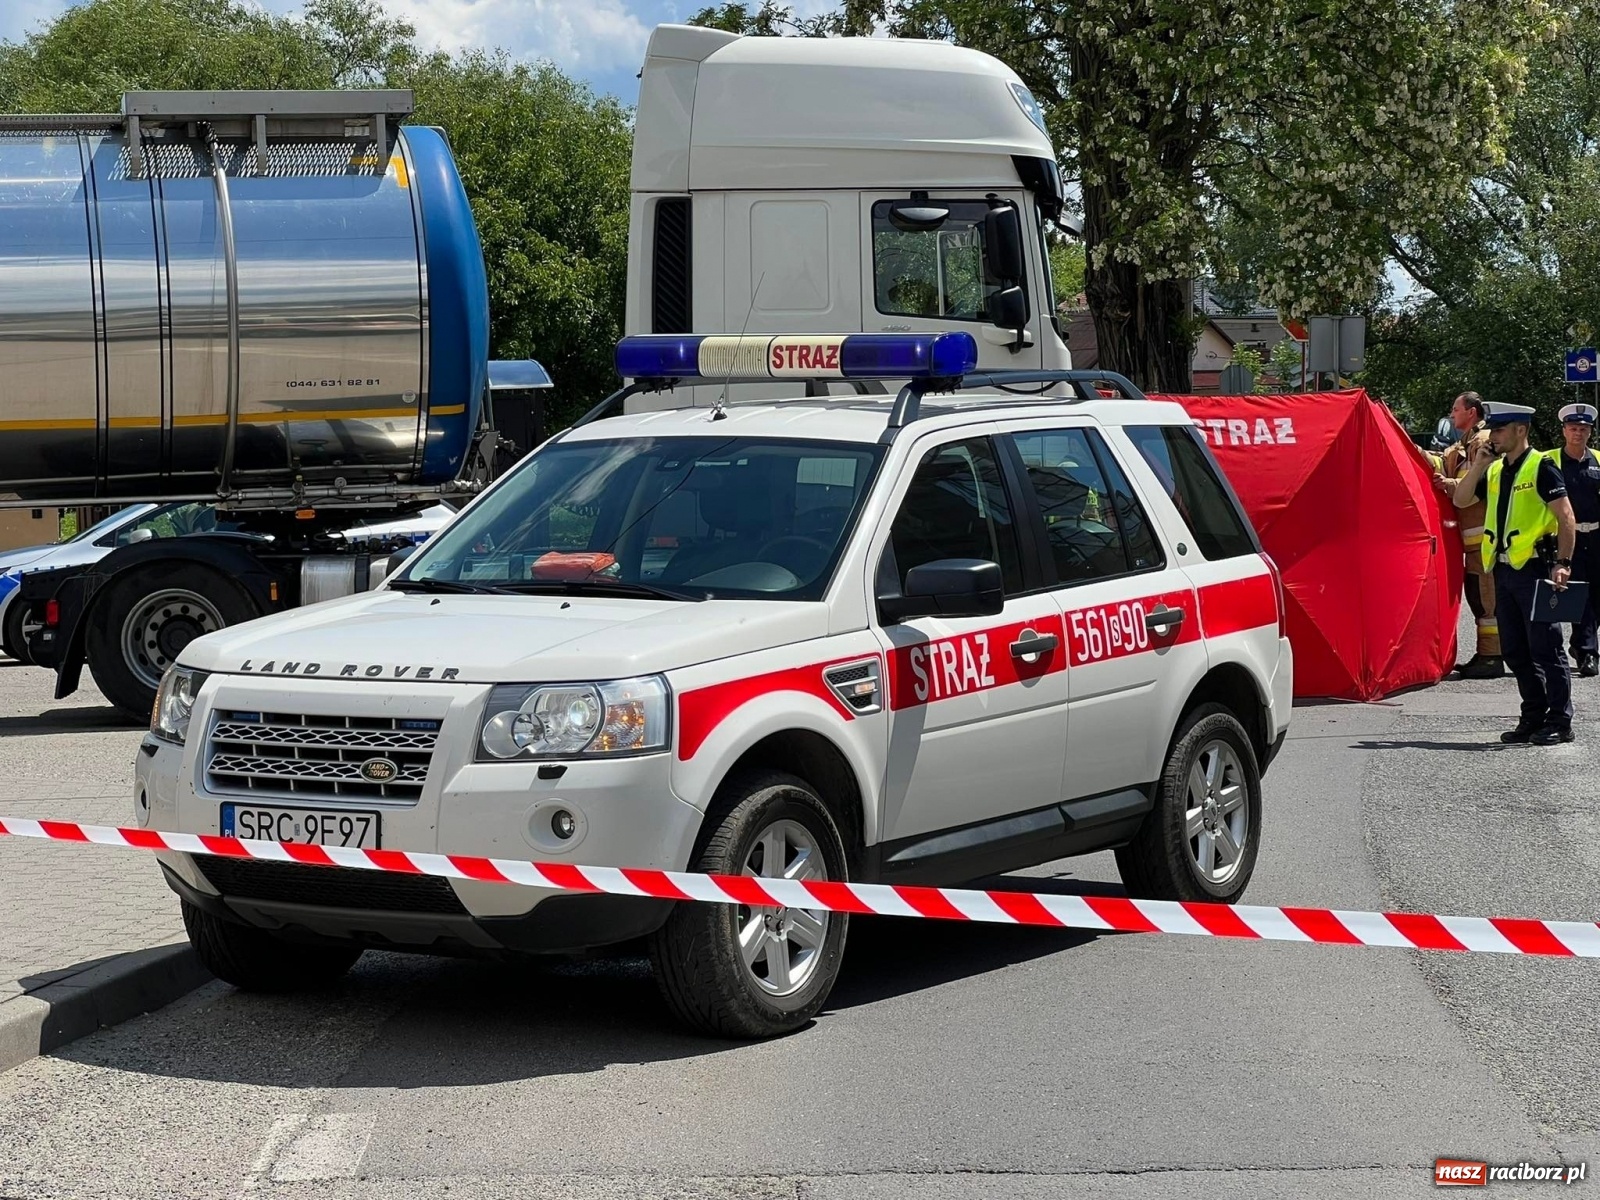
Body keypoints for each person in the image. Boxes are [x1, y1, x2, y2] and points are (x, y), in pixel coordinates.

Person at [1453, 402, 1579, 744]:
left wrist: (1563, 563)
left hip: (1537, 569)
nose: (1492, 436)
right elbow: (1461, 499)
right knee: (1515, 651)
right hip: (1503, 571)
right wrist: (1479, 465)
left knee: (1546, 648)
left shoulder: (1542, 466)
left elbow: (1566, 517)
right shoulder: (1494, 470)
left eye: (1499, 430)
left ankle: (1559, 721)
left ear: (1520, 430)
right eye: (1492, 430)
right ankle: (1533, 716)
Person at [1433, 392, 1503, 677]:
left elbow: (1479, 483)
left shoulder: (1483, 442)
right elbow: (1441, 461)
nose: (1452, 414)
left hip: (1486, 540)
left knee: (1486, 600)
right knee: (1479, 598)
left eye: (1455, 409)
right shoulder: (1463, 444)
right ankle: (1486, 654)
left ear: (1471, 412)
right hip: (1474, 543)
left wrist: (1449, 483)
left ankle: (1492, 657)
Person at [1552, 403, 1600, 675]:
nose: (1578, 433)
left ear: (1590, 432)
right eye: (1573, 429)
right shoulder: (1551, 462)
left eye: (1583, 429)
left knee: (1597, 596)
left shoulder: (1598, 461)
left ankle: (1581, 644)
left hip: (1597, 536)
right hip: (1566, 537)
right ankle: (1587, 652)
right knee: (1580, 593)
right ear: (1564, 431)